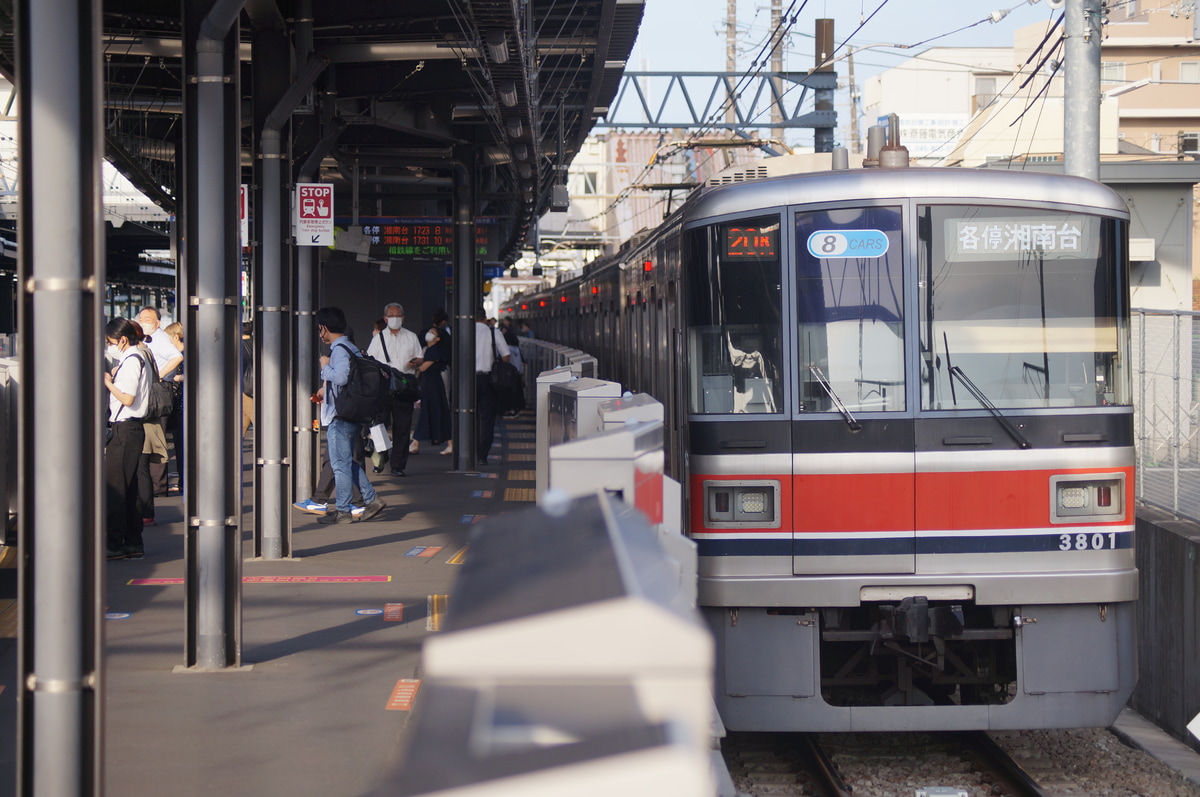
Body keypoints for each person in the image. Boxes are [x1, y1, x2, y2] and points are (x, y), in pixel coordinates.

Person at [316, 306, 386, 524]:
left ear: (324, 328)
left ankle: (343, 510)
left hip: (342, 415)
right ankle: (371, 499)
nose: (320, 334)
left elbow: (341, 377)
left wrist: (324, 367)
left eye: (319, 329)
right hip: (355, 412)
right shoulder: (351, 347)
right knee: (349, 462)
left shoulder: (338, 349)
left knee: (340, 464)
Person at [104, 317, 153, 560]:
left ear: (122, 340)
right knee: (130, 487)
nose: (109, 346)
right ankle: (133, 542)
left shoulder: (132, 360)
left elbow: (127, 398)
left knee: (115, 488)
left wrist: (108, 383)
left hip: (124, 429)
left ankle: (114, 544)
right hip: (133, 429)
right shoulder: (137, 358)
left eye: (110, 342)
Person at [366, 302, 423, 476]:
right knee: (379, 426)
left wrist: (416, 362)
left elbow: (420, 358)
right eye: (391, 316)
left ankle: (398, 465)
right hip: (384, 388)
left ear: (403, 318)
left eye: (397, 315)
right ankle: (381, 457)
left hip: (404, 388)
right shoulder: (378, 339)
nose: (394, 319)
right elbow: (369, 361)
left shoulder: (411, 337)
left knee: (403, 428)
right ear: (385, 319)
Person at [137, 306, 181, 495]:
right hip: (153, 391)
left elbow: (177, 357)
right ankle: (155, 485)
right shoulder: (147, 339)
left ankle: (158, 487)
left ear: (157, 323)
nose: (142, 322)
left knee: (156, 438)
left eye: (147, 319)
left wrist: (158, 375)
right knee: (151, 437)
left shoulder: (159, 339)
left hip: (159, 392)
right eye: (141, 318)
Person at [474, 305, 511, 466]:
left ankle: (467, 451)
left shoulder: (464, 331)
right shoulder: (493, 332)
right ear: (484, 318)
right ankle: (482, 455)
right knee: (487, 418)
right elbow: (506, 356)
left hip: (468, 380)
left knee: (467, 415)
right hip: (489, 380)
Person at [413, 319, 452, 452]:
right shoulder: (428, 350)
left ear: (437, 339)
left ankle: (416, 442)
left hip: (433, 385)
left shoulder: (434, 351)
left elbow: (423, 368)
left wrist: (413, 366)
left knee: (432, 411)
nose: (429, 334)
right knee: (436, 411)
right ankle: (449, 443)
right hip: (431, 384)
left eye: (433, 333)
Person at [162, 322, 185, 492]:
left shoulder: (182, 355)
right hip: (178, 404)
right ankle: (183, 480)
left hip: (182, 405)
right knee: (178, 443)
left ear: (176, 337)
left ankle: (185, 482)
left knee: (181, 443)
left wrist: (179, 378)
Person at [241, 322, 254, 436]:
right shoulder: (255, 343)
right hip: (254, 383)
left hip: (244, 386)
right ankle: (238, 439)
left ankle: (267, 440)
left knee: (253, 414)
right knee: (244, 417)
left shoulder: (239, 346)